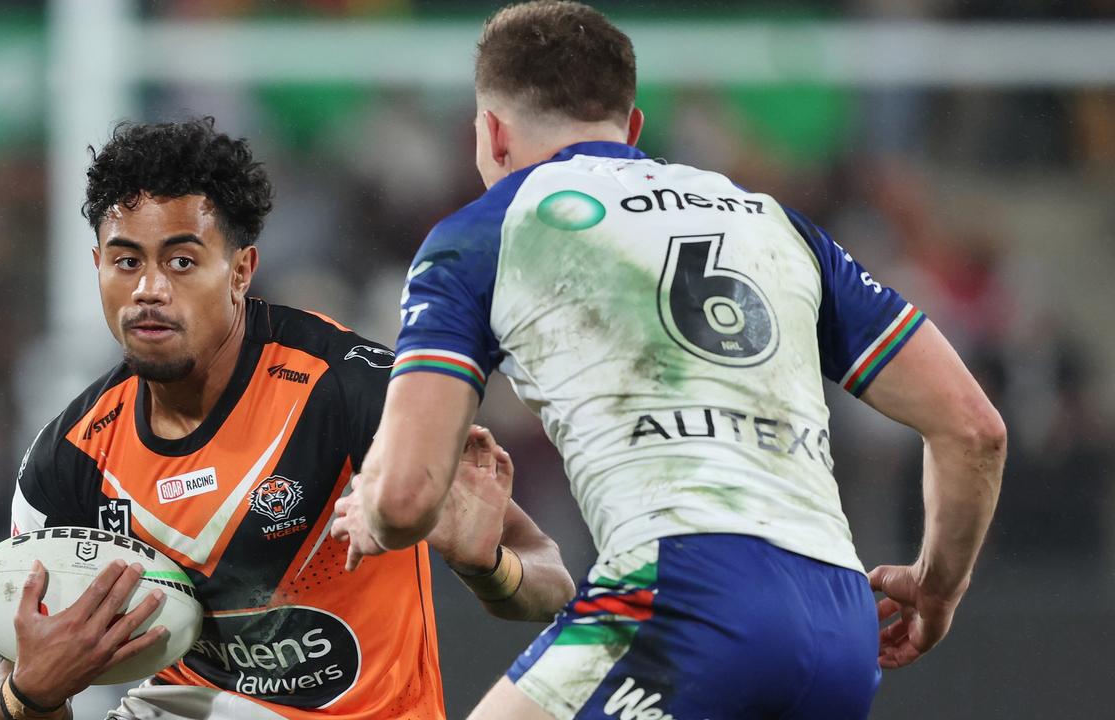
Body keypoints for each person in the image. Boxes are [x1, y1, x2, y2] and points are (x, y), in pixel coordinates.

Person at [331, 2, 1007, 719]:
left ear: (492, 135)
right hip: (841, 623)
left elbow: (407, 496)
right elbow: (974, 429)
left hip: (681, 594)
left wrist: (375, 510)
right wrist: (937, 586)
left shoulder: (484, 233)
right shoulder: (776, 224)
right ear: (633, 129)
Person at [0, 118, 574, 720]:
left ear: (240, 270)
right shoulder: (71, 458)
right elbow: (13, 677)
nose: (149, 289)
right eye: (126, 262)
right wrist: (31, 694)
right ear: (98, 266)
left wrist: (487, 566)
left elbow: (552, 580)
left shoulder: (348, 390)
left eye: (181, 262)